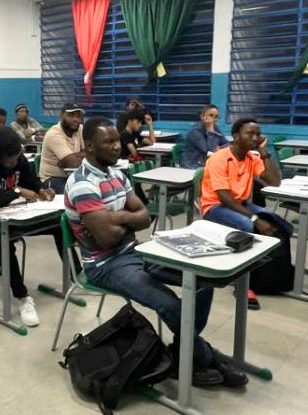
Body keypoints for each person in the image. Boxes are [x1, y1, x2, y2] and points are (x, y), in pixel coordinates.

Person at [63, 116, 247, 388]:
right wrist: (126, 219)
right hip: (105, 265)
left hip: (135, 250)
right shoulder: (82, 184)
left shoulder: (116, 174)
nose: (117, 147)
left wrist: (117, 218)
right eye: (109, 142)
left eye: (117, 140)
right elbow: (106, 238)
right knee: (170, 304)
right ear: (89, 146)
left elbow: (145, 217)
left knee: (203, 279)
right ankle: (203, 357)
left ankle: (185, 352)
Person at [0, 127, 62, 327]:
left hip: (13, 214)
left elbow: (31, 180)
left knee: (58, 224)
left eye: (17, 157)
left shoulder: (18, 157)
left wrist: (42, 189)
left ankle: (75, 275)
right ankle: (23, 297)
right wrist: (18, 191)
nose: (15, 163)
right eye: (10, 161)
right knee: (5, 244)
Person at [200, 117, 294, 310]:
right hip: (215, 207)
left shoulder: (252, 158)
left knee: (279, 224)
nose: (255, 137)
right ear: (236, 136)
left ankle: (274, 276)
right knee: (248, 226)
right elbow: (224, 198)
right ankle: (243, 284)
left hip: (239, 203)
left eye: (258, 134)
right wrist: (254, 218)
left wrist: (263, 152)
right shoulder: (219, 158)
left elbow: (275, 182)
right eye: (249, 134)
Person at [39, 103, 85, 193]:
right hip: (52, 179)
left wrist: (76, 156)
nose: (76, 119)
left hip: (72, 176)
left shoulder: (79, 129)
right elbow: (73, 163)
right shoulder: (54, 134)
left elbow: (94, 150)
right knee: (79, 192)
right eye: (71, 115)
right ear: (61, 115)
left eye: (78, 116)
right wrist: (79, 156)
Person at [180, 104, 229, 169]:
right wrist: (210, 130)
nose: (214, 119)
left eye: (216, 116)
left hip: (206, 162)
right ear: (202, 116)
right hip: (192, 165)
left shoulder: (215, 128)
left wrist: (219, 149)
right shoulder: (195, 131)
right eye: (211, 115)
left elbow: (227, 144)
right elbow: (209, 151)